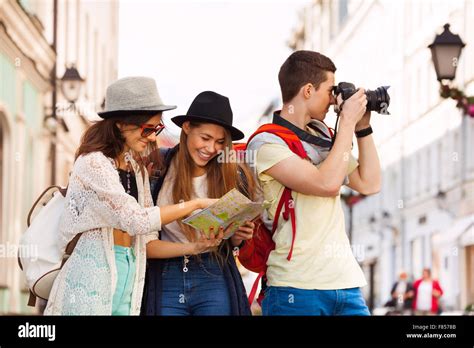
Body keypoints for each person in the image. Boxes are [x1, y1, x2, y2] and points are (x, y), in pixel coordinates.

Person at [45, 77, 218, 315]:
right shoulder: (93, 164)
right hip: (87, 288)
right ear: (120, 124)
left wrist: (196, 247)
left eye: (156, 129)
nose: (152, 137)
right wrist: (195, 204)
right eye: (147, 129)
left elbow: (147, 242)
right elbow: (135, 219)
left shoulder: (136, 171)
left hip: (129, 289)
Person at [246, 50, 381, 315]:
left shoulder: (324, 135)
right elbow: (326, 183)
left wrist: (362, 128)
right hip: (295, 286)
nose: (334, 101)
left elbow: (369, 183)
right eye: (330, 90)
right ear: (308, 90)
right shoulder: (265, 144)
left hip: (346, 283)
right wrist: (346, 124)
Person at [142, 91, 258, 316]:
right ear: (186, 128)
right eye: (205, 138)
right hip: (167, 273)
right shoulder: (157, 167)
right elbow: (142, 229)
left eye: (220, 142)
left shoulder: (233, 175)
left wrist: (238, 235)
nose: (211, 148)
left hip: (213, 271)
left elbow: (232, 244)